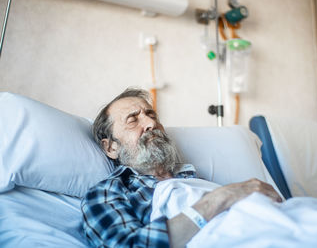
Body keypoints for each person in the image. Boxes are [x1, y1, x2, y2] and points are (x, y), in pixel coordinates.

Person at [81, 88, 282, 248]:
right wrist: (219, 199)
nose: (151, 123)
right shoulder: (107, 193)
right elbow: (128, 245)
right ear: (111, 147)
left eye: (152, 115)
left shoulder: (193, 177)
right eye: (133, 120)